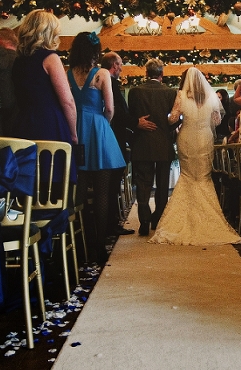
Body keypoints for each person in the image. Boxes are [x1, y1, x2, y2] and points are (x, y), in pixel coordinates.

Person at [149, 68, 241, 246]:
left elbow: (173, 118)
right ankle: (208, 219)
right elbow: (216, 121)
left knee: (187, 176)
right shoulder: (211, 97)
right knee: (203, 177)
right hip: (205, 137)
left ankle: (182, 219)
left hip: (187, 138)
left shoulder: (181, 95)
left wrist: (179, 116)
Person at [67, 31, 125, 263]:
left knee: (78, 192)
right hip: (98, 131)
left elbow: (67, 103)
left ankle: (78, 245)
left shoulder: (68, 73)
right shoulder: (101, 74)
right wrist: (103, 125)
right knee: (102, 194)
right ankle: (99, 247)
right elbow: (110, 108)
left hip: (76, 130)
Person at [12, 10, 78, 183]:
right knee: (51, 178)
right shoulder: (50, 58)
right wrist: (73, 133)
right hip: (49, 124)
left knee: (30, 180)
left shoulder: (18, 61)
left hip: (24, 123)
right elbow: (68, 101)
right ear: (49, 32)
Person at [99, 51, 156, 236]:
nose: (122, 68)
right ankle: (110, 225)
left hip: (114, 136)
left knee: (112, 185)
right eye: (120, 64)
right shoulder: (110, 83)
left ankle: (110, 223)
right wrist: (136, 122)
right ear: (114, 65)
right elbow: (115, 112)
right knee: (112, 185)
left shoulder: (111, 83)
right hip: (113, 138)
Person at [128, 59, 178, 236]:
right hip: (163, 144)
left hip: (142, 144)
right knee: (163, 184)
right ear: (161, 75)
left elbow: (131, 117)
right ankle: (157, 219)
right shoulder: (171, 92)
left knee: (143, 183)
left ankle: (144, 220)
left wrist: (139, 125)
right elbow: (176, 119)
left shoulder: (134, 92)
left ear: (146, 74)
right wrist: (166, 129)